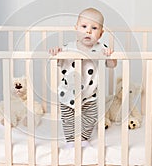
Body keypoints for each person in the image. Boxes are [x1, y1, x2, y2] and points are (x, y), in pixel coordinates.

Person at [49, 8, 117, 148]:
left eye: (94, 28)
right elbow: (55, 62)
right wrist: (55, 54)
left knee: (91, 116)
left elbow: (112, 65)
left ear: (100, 33)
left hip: (89, 94)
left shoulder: (101, 49)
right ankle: (71, 140)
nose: (88, 31)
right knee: (68, 119)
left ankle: (84, 138)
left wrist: (111, 55)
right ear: (76, 29)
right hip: (68, 93)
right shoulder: (68, 48)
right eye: (84, 27)